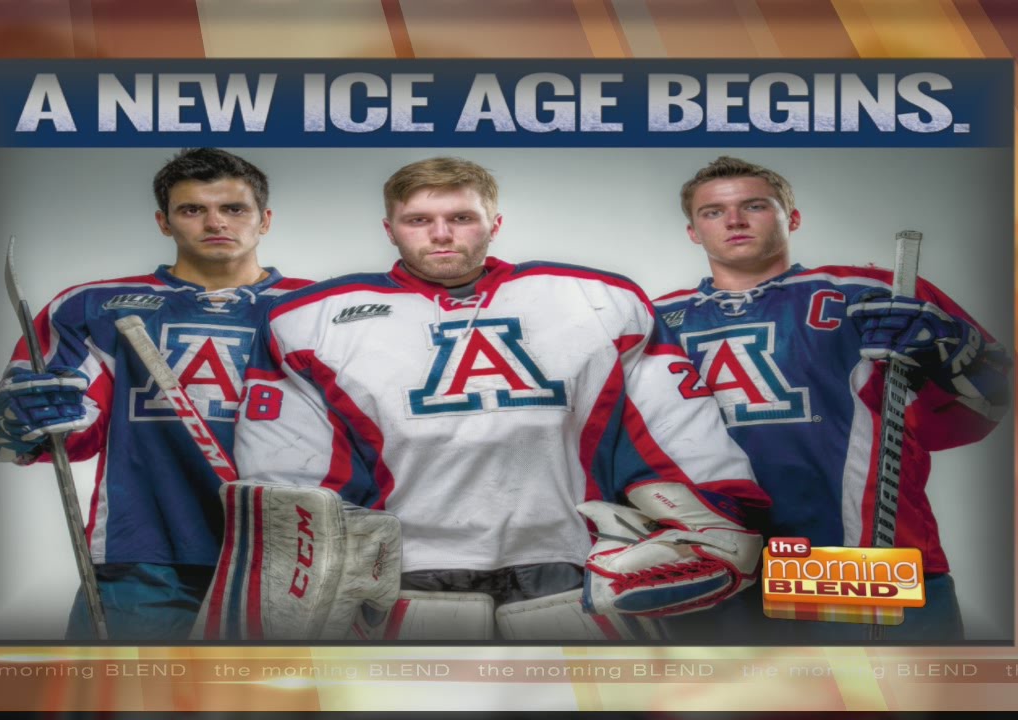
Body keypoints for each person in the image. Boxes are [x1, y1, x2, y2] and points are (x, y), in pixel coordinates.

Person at [209, 156, 771, 641]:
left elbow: (669, 426)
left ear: (493, 223)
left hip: (569, 562)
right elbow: (294, 471)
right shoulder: (309, 320)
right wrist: (305, 564)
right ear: (391, 229)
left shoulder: (599, 299)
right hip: (409, 574)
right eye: (419, 220)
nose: (442, 234)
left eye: (461, 218)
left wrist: (714, 519)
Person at [654, 156, 1012, 643]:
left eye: (754, 206)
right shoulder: (651, 321)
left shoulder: (872, 293)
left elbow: (985, 408)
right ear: (694, 231)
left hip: (851, 563)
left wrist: (950, 351)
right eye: (713, 212)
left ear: (791, 218)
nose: (734, 220)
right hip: (710, 570)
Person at [0, 148, 311, 641]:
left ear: (265, 219)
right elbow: (30, 436)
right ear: (164, 221)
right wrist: (14, 420)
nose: (215, 222)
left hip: (292, 552)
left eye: (234, 209)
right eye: (192, 210)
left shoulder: (326, 307)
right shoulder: (92, 306)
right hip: (144, 555)